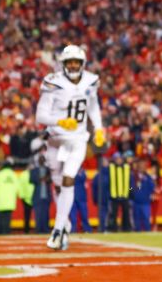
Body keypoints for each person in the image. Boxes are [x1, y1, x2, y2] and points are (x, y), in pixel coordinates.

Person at [36, 44, 106, 251]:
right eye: (70, 62)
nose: (74, 65)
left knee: (68, 180)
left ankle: (57, 231)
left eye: (77, 62)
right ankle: (64, 224)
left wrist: (99, 128)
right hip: (56, 139)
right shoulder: (53, 82)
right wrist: (59, 121)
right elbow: (40, 115)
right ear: (64, 64)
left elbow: (93, 105)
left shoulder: (91, 80)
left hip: (77, 139)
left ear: (82, 64)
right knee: (58, 186)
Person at [0, 160, 18, 235]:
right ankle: (6, 232)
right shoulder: (13, 175)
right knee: (7, 220)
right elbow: (18, 188)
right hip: (10, 202)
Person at [28, 154, 54, 235]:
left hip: (46, 196)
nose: (42, 160)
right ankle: (38, 229)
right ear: (38, 161)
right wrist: (40, 179)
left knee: (46, 214)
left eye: (43, 159)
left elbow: (52, 179)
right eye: (40, 159)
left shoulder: (48, 170)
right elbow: (31, 180)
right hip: (37, 196)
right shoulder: (34, 170)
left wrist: (47, 178)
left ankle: (45, 229)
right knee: (38, 214)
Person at [108, 153, 133, 233]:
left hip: (125, 194)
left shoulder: (127, 167)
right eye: (117, 159)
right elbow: (107, 182)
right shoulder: (110, 168)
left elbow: (130, 182)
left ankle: (126, 228)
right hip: (114, 195)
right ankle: (113, 228)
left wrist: (130, 191)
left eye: (120, 159)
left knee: (126, 213)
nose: (119, 160)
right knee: (113, 214)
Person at [131, 158, 157, 232]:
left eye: (144, 165)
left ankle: (148, 234)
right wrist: (134, 190)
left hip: (145, 202)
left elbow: (152, 188)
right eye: (141, 165)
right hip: (136, 202)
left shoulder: (148, 177)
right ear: (138, 166)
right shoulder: (133, 176)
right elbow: (130, 188)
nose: (142, 166)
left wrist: (153, 180)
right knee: (137, 221)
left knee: (146, 220)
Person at [68, 167, 91, 234]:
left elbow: (83, 178)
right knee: (73, 215)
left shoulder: (82, 171)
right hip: (72, 196)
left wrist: (79, 172)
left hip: (81, 196)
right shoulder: (69, 171)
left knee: (84, 214)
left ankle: (87, 229)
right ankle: (73, 229)